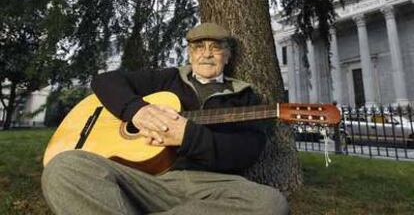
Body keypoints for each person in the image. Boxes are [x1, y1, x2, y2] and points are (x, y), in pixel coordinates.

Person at [42, 22, 289, 214]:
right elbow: (106, 81)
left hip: (211, 186)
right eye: (198, 47)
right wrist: (137, 111)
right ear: (190, 54)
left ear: (227, 55)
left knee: (270, 204)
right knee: (62, 168)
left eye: (215, 48)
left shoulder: (245, 97)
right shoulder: (168, 79)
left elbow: (247, 151)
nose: (207, 54)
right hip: (144, 181)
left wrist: (189, 136)